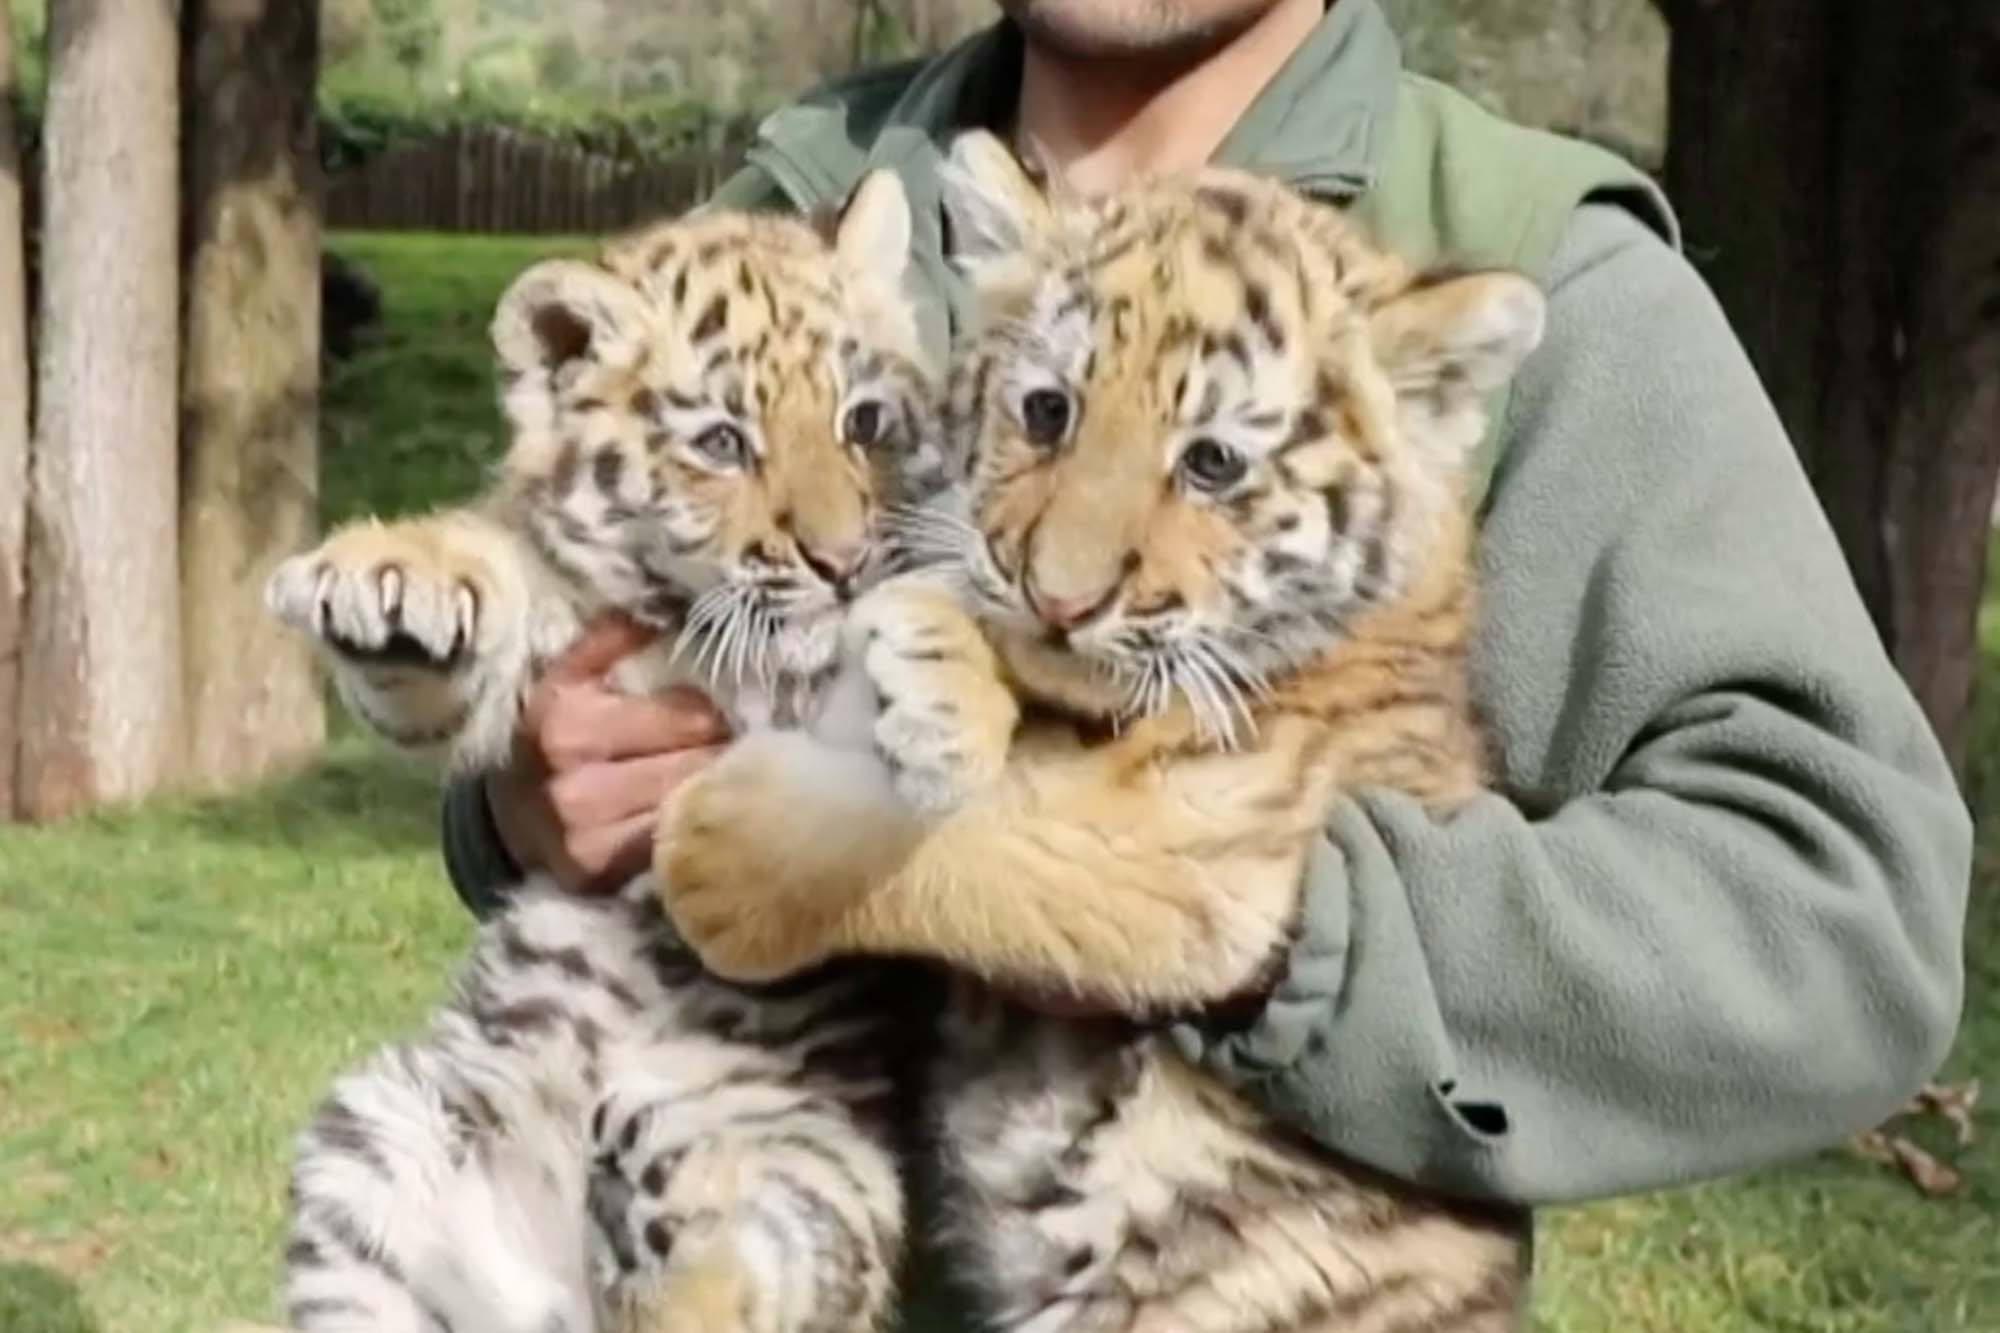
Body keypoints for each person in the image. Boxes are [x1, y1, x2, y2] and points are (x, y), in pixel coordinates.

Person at [440, 0, 1971, 1320]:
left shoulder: (1525, 266)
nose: (1076, 567)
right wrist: (524, 786)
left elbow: (1838, 907)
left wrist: (1270, 922)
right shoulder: (812, 204)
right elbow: (595, 668)